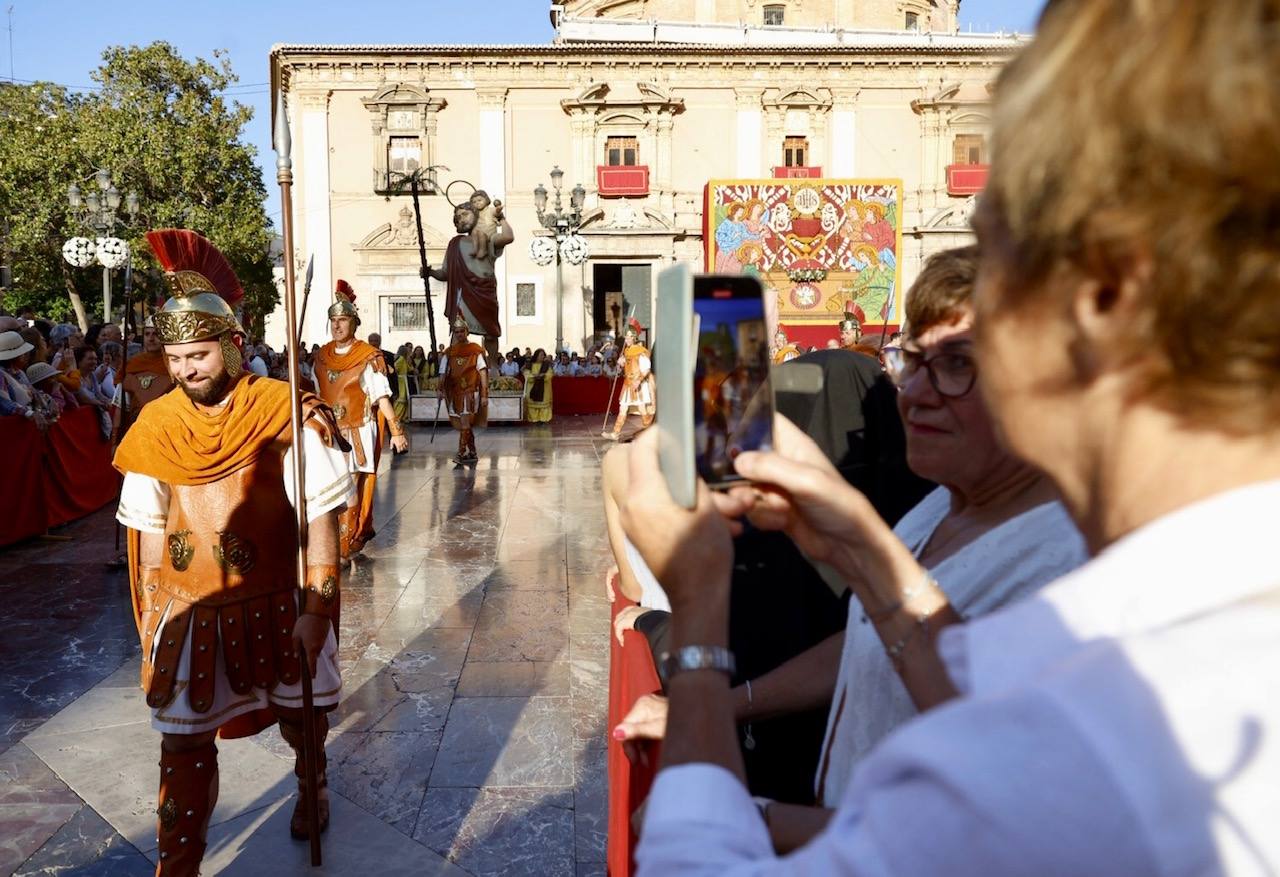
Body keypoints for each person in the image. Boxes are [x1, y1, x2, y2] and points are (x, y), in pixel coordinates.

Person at [621, 0, 1280, 872]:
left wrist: (698, 612)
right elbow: (975, 685)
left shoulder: (1091, 729)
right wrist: (859, 540)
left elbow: (699, 866)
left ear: (1105, 291)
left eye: (999, 250)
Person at [113, 229, 355, 876]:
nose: (187, 367)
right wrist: (151, 621)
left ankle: (312, 785)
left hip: (279, 596)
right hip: (191, 611)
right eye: (176, 356)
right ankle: (179, 862)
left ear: (232, 345)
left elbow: (323, 518)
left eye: (198, 353)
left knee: (301, 721)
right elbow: (147, 533)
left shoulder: (283, 411)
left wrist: (317, 607)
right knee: (182, 745)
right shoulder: (156, 425)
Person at [313, 280, 408, 559]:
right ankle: (343, 535)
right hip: (330, 431)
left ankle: (346, 541)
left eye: (342, 320)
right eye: (333, 320)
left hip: (358, 431)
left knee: (351, 486)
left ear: (354, 323)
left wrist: (397, 431)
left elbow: (381, 398)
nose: (337, 326)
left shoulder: (368, 356)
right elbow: (317, 394)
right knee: (331, 486)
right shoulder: (322, 356)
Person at [423, 201, 514, 368]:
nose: (460, 219)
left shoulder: (488, 238)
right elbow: (445, 273)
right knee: (458, 331)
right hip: (462, 294)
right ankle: (454, 367)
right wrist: (430, 273)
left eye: (464, 214)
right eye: (457, 217)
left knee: (491, 334)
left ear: (476, 214)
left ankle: (493, 365)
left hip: (485, 291)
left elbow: (508, 237)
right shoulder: (455, 244)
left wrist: (501, 219)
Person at [438, 315, 488, 463]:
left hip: (470, 391)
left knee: (465, 423)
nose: (459, 334)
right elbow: (443, 372)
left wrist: (484, 394)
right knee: (463, 425)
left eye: (461, 331)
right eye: (456, 331)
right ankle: (472, 452)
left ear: (467, 332)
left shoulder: (475, 350)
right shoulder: (449, 352)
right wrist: (440, 388)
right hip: (454, 392)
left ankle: (461, 454)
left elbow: (483, 372)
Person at [113, 321, 175, 441]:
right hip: (137, 427)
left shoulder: (175, 365)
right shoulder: (131, 366)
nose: (151, 339)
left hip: (168, 429)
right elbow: (120, 405)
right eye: (147, 334)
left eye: (156, 334)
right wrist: (115, 439)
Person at [604, 323, 654, 440]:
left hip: (638, 384)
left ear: (633, 338)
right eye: (625, 337)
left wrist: (639, 381)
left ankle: (649, 429)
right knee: (623, 408)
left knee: (641, 408)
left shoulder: (640, 351)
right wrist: (620, 364)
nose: (626, 339)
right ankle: (615, 433)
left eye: (628, 337)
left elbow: (646, 368)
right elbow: (625, 368)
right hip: (627, 384)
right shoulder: (626, 351)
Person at [523, 348, 553, 424]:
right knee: (533, 406)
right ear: (536, 355)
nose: (543, 356)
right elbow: (526, 375)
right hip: (532, 388)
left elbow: (550, 374)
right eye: (541, 355)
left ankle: (544, 419)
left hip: (544, 389)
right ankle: (534, 419)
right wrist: (534, 377)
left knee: (544, 405)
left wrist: (543, 376)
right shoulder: (530, 365)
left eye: (543, 355)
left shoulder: (546, 365)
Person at [392, 342, 412, 425]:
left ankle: (400, 417)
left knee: (403, 400)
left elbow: (408, 368)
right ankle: (396, 418)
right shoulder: (401, 359)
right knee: (401, 400)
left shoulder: (403, 359)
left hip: (403, 381)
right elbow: (395, 368)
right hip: (400, 381)